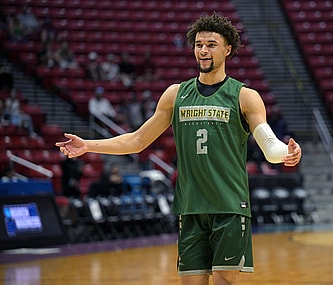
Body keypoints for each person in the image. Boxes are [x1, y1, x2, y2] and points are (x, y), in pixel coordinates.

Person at [56, 13, 301, 285]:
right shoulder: (176, 94)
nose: (203, 50)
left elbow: (268, 143)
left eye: (211, 44)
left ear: (228, 49)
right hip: (191, 207)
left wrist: (284, 153)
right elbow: (138, 140)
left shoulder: (244, 96)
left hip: (229, 207)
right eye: (199, 44)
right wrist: (87, 145)